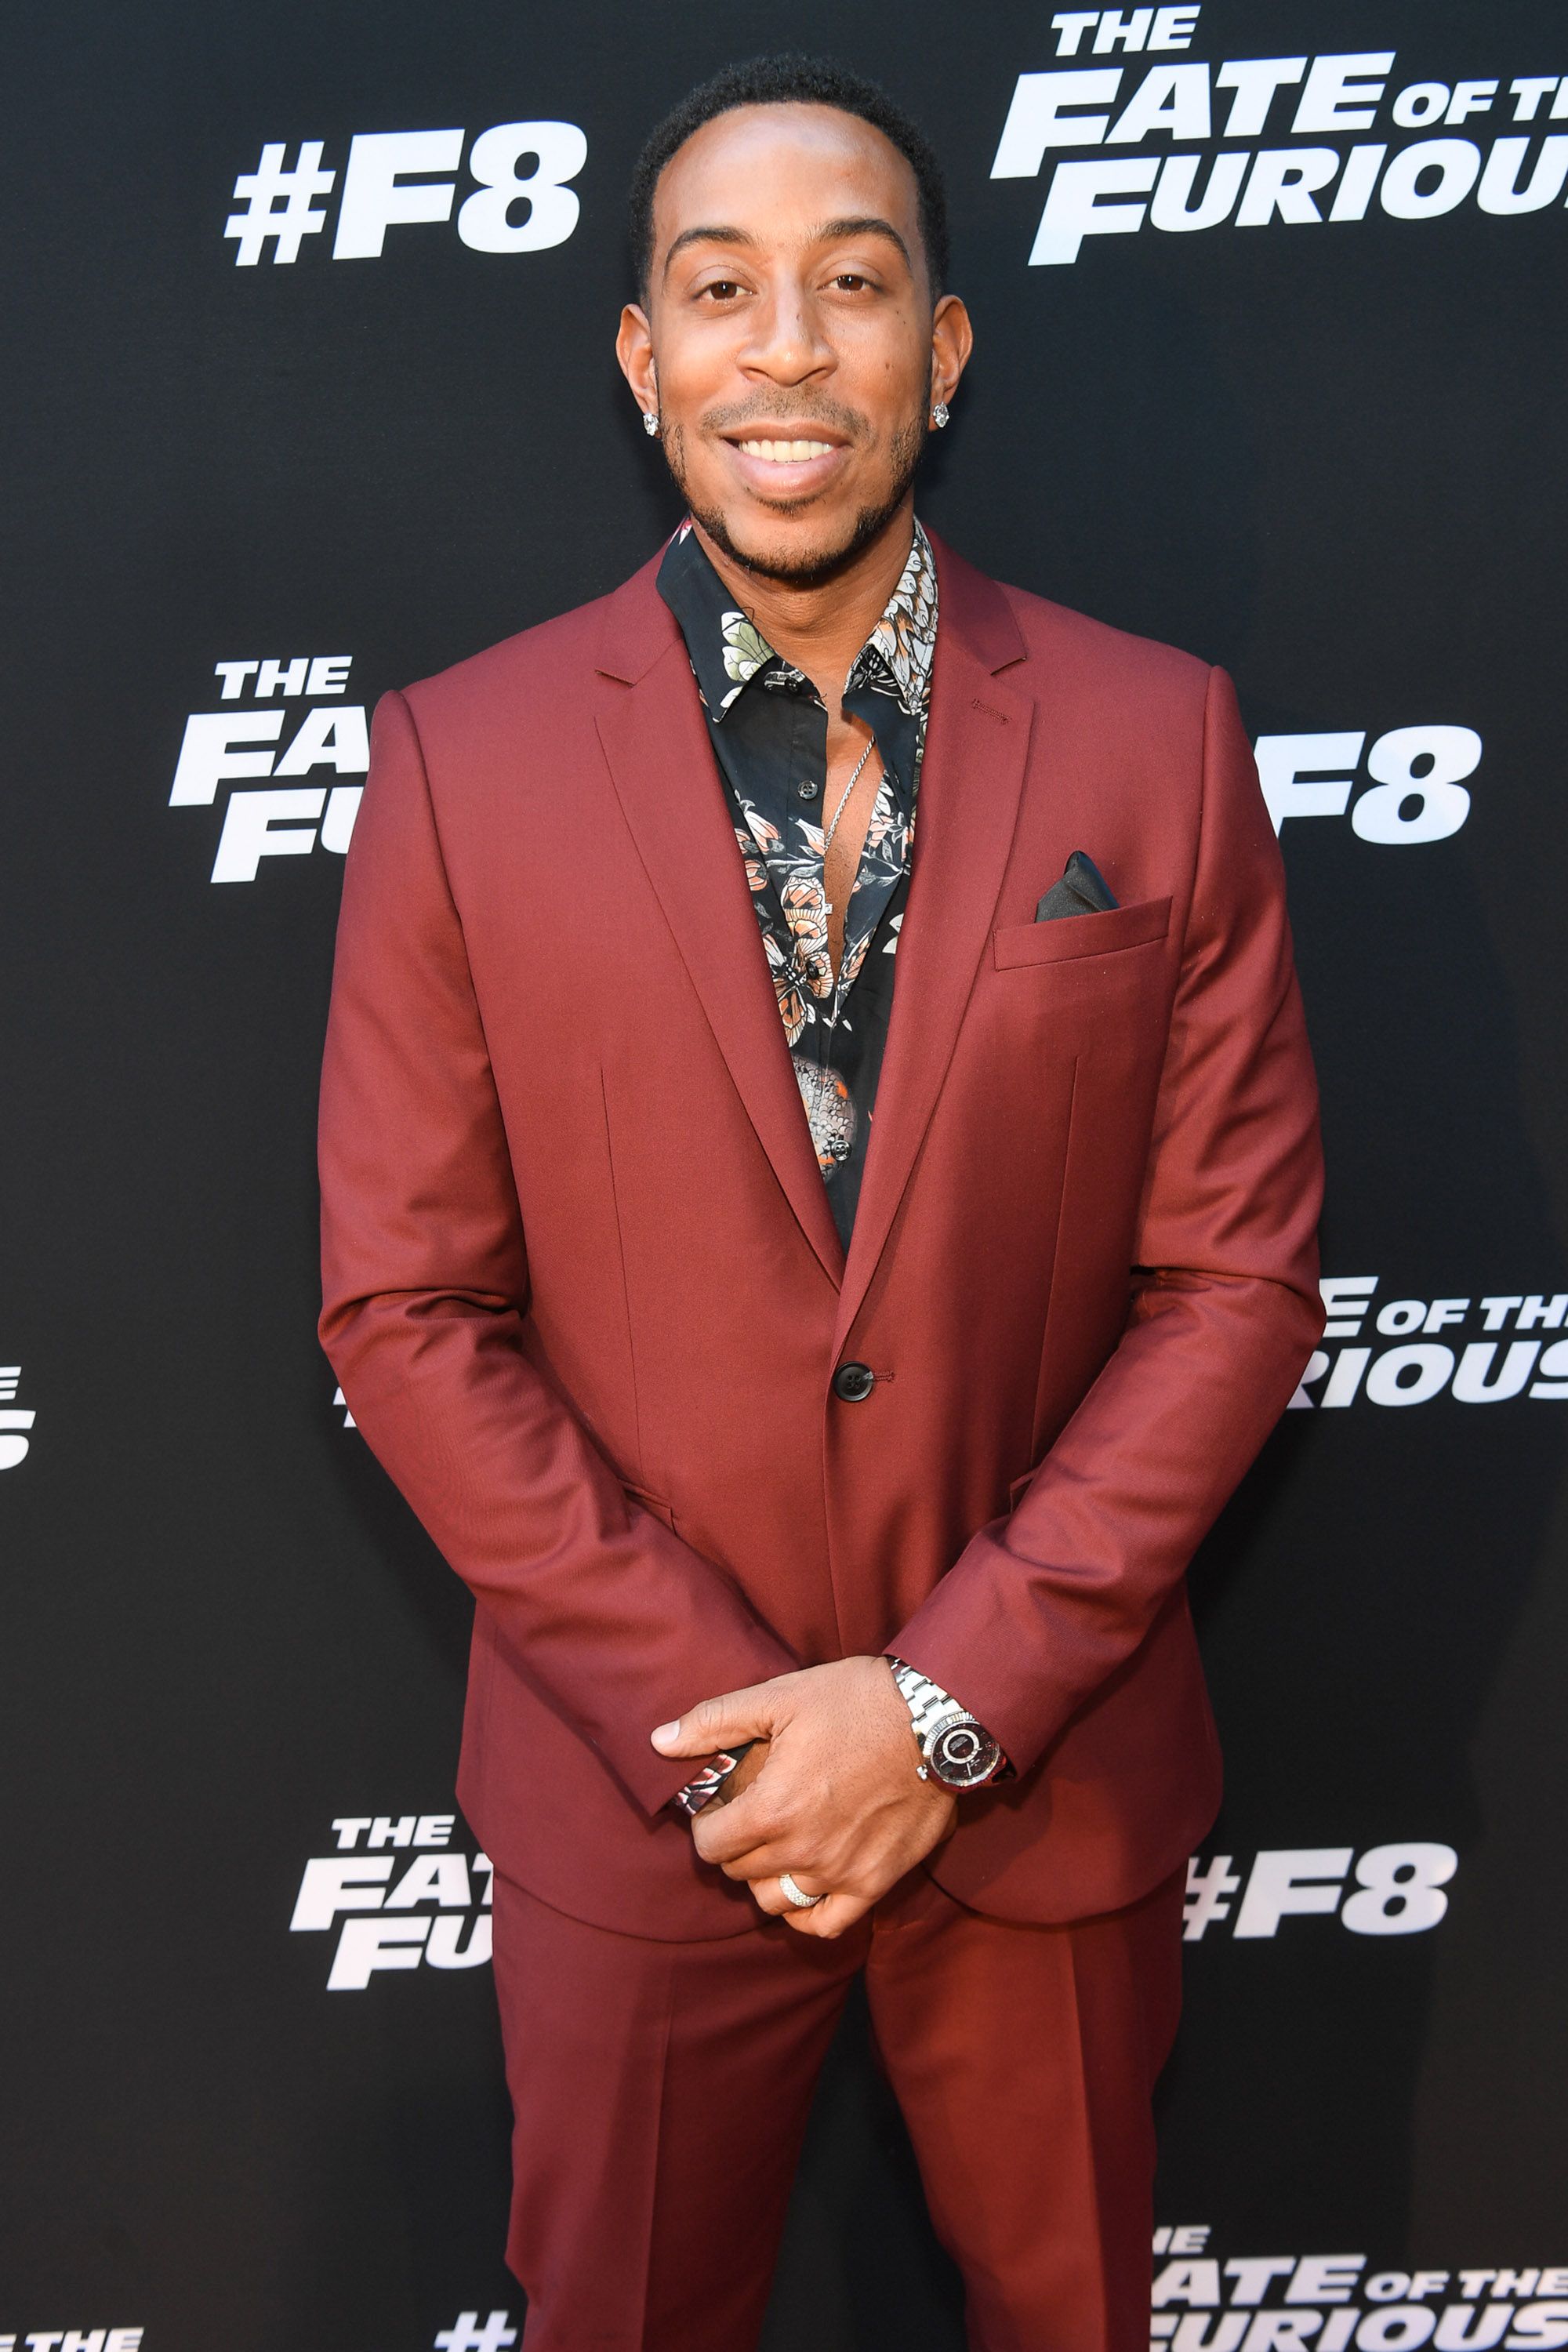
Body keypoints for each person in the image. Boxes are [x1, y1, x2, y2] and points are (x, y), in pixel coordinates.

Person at [317, 53, 1325, 2352]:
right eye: (722, 287)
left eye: (854, 284)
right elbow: (404, 1309)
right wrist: (750, 1737)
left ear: (944, 352)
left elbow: (1241, 1276)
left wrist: (946, 1709)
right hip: (638, 1806)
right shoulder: (455, 765)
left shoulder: (1157, 737)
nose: (788, 344)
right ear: (642, 356)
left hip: (1044, 1796)